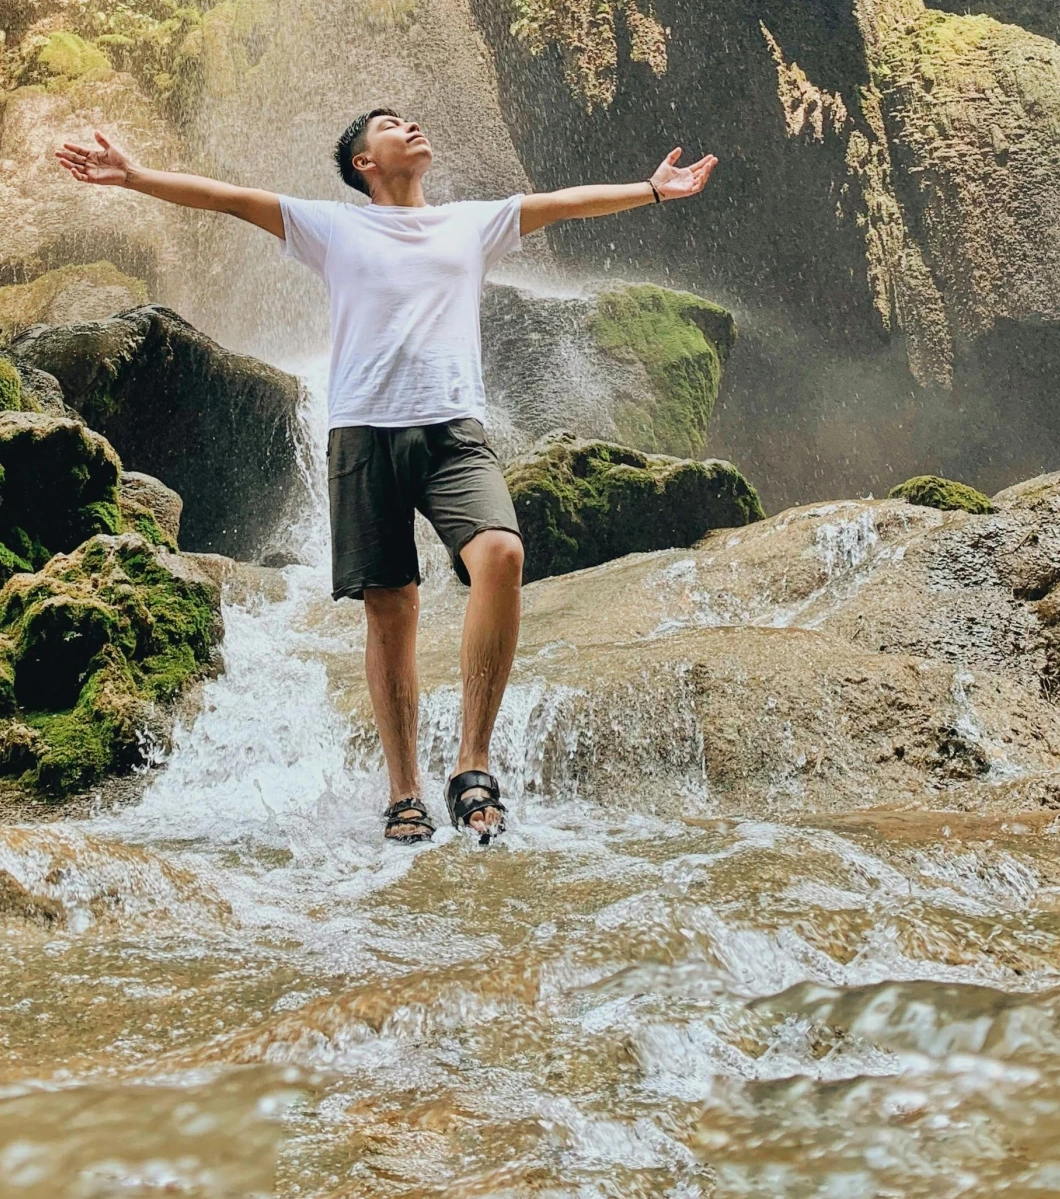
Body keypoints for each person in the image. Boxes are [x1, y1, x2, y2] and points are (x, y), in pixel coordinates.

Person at [56, 109, 717, 844]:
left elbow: (562, 204)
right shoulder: (333, 227)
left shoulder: (473, 223)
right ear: (364, 163)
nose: (412, 128)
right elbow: (227, 198)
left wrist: (651, 190)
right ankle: (404, 790)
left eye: (411, 121)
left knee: (501, 553)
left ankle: (472, 763)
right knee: (391, 606)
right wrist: (135, 175)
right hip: (362, 430)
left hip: (453, 430)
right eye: (391, 125)